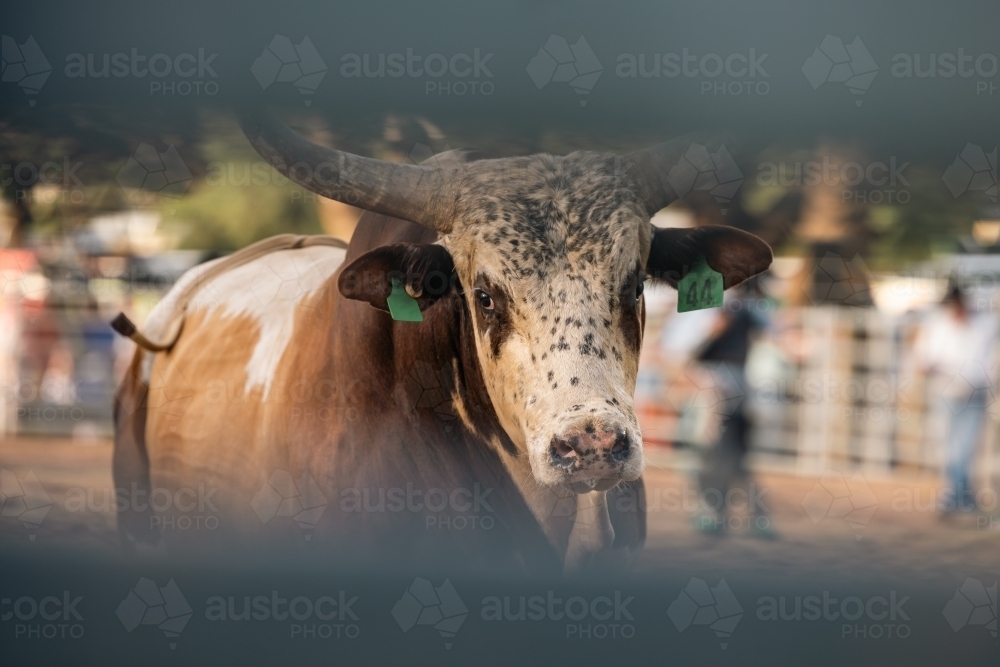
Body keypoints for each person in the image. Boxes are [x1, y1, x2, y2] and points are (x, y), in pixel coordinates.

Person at [690, 278, 774, 537]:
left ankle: (725, 515)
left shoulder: (739, 311)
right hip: (728, 392)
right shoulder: (744, 311)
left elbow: (699, 352)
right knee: (726, 459)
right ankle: (745, 517)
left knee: (724, 457)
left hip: (728, 393)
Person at [913, 282, 999, 515]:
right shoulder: (938, 324)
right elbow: (924, 360)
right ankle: (960, 495)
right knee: (952, 446)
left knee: (966, 445)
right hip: (948, 391)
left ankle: (958, 495)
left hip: (974, 391)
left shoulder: (984, 323)